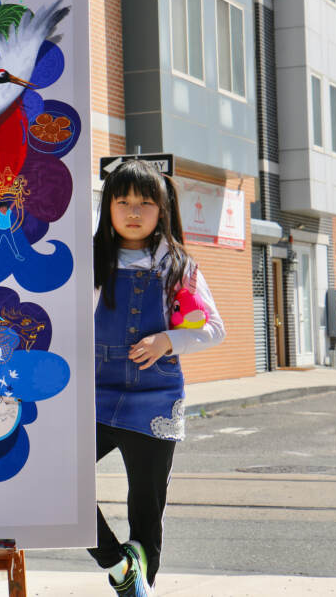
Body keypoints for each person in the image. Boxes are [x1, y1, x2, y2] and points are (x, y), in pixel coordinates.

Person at [90, 160, 225, 596]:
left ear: (162, 211)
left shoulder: (178, 265)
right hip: (91, 396)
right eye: (122, 201)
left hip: (154, 400)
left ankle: (138, 586)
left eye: (145, 203)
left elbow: (214, 329)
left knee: (146, 512)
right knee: (57, 479)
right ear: (107, 207)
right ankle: (115, 563)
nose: (133, 211)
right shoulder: (87, 261)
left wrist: (168, 340)